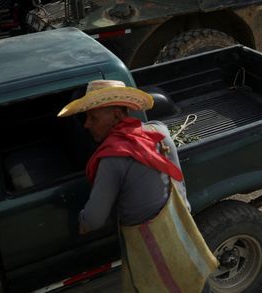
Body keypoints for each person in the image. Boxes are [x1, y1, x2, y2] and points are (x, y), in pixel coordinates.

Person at [58, 80, 217, 292]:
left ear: (116, 115)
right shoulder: (158, 132)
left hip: (149, 248)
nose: (87, 124)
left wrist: (83, 221)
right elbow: (178, 185)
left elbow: (94, 219)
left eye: (93, 117)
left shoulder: (112, 159)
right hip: (181, 235)